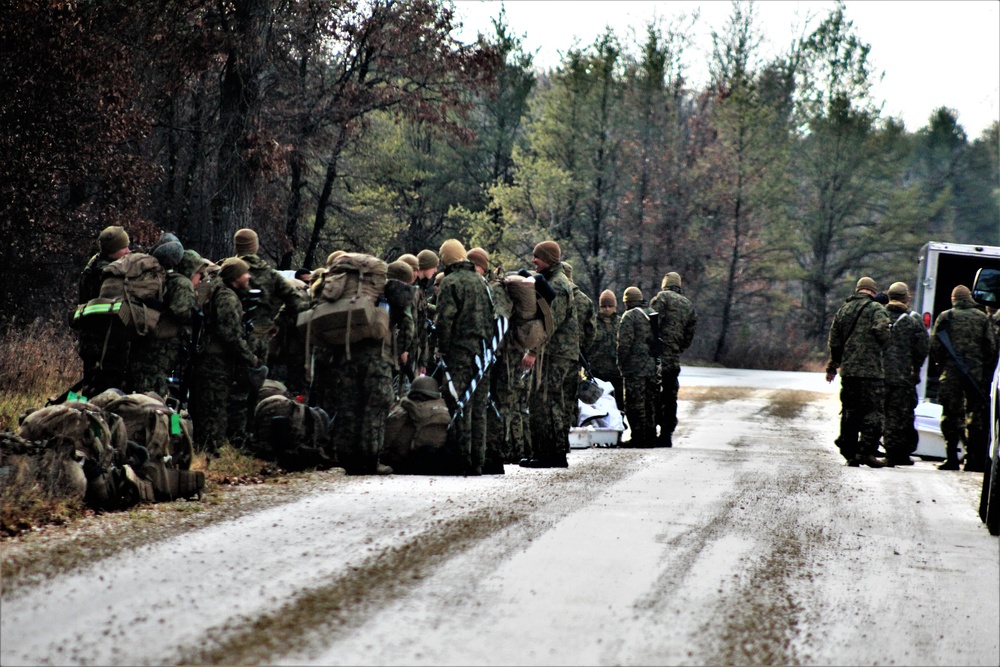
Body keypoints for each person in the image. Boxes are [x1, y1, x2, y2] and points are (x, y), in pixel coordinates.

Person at [229, 229, 308, 435]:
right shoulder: (270, 274)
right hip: (260, 335)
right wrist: (277, 322)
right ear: (255, 246)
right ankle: (251, 431)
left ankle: (229, 435)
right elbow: (295, 301)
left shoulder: (227, 270)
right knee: (255, 384)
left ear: (237, 246)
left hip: (229, 334)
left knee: (231, 385)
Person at [189, 258, 263, 455]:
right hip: (215, 361)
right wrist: (250, 358)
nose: (249, 277)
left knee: (211, 406)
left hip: (211, 358)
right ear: (235, 277)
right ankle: (212, 452)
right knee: (214, 408)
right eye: (245, 273)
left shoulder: (220, 291)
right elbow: (230, 335)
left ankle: (210, 449)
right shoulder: (227, 298)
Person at [433, 240, 494, 475]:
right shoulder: (482, 281)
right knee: (479, 406)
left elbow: (444, 320)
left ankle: (461, 460)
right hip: (483, 354)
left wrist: (442, 348)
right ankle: (478, 460)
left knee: (459, 404)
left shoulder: (450, 282)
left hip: (459, 353)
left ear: (446, 259)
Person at [520, 240, 579, 468]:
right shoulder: (550, 281)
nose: (533, 261)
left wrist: (533, 351)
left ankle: (553, 455)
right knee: (541, 401)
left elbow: (550, 322)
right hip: (551, 353)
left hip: (556, 354)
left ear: (549, 259)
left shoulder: (559, 285)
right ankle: (544, 452)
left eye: (538, 257)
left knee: (549, 401)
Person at [929, 285, 998, 471]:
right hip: (975, 375)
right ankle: (972, 460)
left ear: (954, 299)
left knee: (950, 415)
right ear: (969, 298)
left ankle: (951, 458)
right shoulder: (982, 318)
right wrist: (982, 366)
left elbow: (935, 346)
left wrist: (942, 365)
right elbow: (991, 347)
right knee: (975, 417)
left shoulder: (945, 317)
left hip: (950, 374)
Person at [825, 277, 891, 468]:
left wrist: (833, 366)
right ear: (872, 291)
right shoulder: (876, 309)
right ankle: (866, 452)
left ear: (858, 289)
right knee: (873, 412)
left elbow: (834, 341)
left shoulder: (843, 310)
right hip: (871, 372)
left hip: (849, 371)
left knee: (850, 412)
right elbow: (882, 330)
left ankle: (850, 452)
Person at [130, 235, 197, 400]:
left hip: (143, 339)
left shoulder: (153, 277)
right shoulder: (180, 283)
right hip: (161, 346)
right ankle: (154, 421)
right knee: (154, 393)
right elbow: (181, 312)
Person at [77, 225, 132, 396]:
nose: (128, 251)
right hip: (103, 342)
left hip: (94, 340)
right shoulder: (106, 273)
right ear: (112, 250)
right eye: (124, 247)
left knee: (93, 387)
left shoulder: (94, 265)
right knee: (104, 392)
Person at [881, 282, 929, 467]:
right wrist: (915, 368)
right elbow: (923, 347)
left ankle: (869, 449)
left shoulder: (879, 315)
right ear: (906, 298)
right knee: (899, 415)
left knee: (879, 413)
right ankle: (896, 454)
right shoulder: (912, 320)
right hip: (903, 377)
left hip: (879, 374)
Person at [649, 271, 697, 447]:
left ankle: (651, 430)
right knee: (670, 396)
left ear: (665, 285)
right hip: (673, 357)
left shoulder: (661, 298)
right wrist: (677, 348)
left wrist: (652, 345)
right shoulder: (688, 305)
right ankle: (666, 433)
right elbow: (689, 335)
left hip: (657, 357)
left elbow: (652, 322)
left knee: (653, 393)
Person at [617, 287, 658, 448]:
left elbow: (624, 344)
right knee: (649, 402)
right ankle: (650, 435)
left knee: (634, 403)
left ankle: (638, 437)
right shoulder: (652, 313)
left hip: (634, 368)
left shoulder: (630, 316)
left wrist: (620, 363)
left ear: (627, 301)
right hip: (651, 366)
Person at [587, 289, 623, 412]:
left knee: (618, 405)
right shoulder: (593, 323)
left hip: (616, 371)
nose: (607, 309)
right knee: (597, 406)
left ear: (615, 306)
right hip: (597, 371)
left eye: (610, 306)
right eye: (604, 306)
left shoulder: (621, 323)